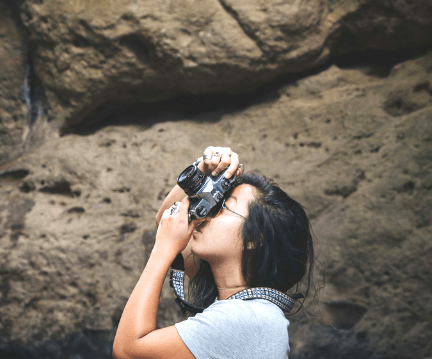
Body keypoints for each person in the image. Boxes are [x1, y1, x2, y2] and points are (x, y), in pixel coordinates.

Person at [112, 146, 315, 359]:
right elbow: (167, 221)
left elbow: (127, 351)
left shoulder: (245, 319)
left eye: (222, 207)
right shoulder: (251, 309)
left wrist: (163, 249)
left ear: (255, 238)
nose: (207, 213)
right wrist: (203, 170)